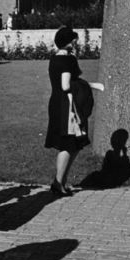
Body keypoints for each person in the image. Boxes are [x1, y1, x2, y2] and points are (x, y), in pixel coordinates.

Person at [46, 26, 92, 194]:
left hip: (56, 103)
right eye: (73, 41)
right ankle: (58, 183)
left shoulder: (54, 58)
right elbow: (66, 85)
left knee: (71, 144)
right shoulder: (68, 60)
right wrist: (84, 85)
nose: (75, 43)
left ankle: (61, 182)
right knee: (69, 143)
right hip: (67, 105)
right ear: (68, 42)